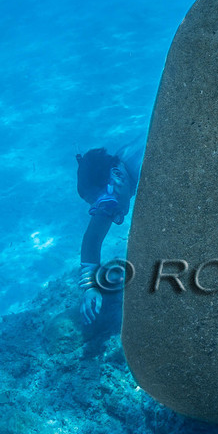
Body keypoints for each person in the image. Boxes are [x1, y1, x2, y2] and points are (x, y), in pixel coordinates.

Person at [74, 138, 143, 326]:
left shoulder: (148, 168)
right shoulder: (117, 174)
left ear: (117, 175)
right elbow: (92, 238)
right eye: (98, 208)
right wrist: (90, 285)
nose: (108, 214)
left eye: (106, 204)